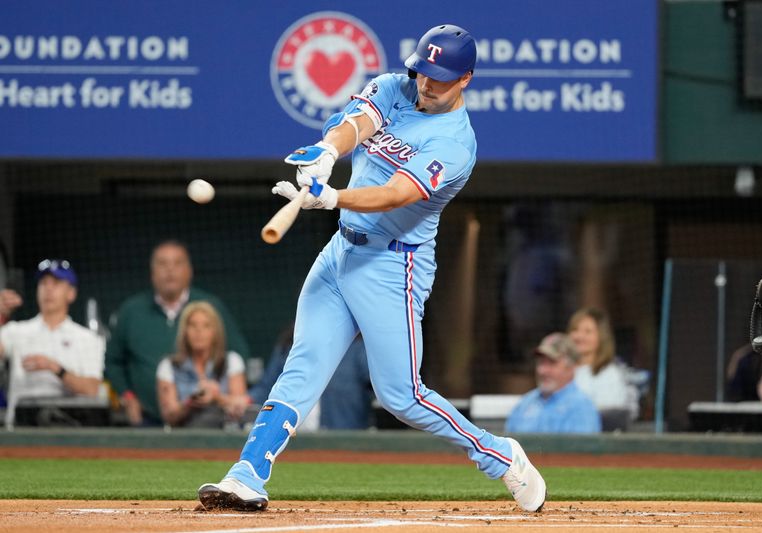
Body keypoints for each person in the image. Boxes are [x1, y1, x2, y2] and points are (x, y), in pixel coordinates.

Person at [197, 24, 546, 513]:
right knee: (302, 366)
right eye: (423, 70)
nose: (426, 83)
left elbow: (396, 194)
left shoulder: (456, 144)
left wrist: (333, 195)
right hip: (341, 252)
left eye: (440, 77)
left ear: (465, 78)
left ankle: (500, 455)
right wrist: (327, 152)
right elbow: (357, 122)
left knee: (403, 397)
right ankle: (248, 473)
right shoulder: (395, 85)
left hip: (393, 266)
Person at [105, 240, 250, 426]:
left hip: (214, 422)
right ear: (152, 272)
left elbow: (239, 355)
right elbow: (113, 361)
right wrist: (127, 395)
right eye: (163, 264)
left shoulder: (210, 306)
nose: (170, 270)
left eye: (177, 263)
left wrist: (217, 393)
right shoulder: (131, 310)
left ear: (189, 270)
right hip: (147, 418)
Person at [0, 259, 105, 427]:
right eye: (43, 283)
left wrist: (56, 369)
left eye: (56, 283)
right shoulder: (16, 331)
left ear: (71, 293)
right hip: (22, 428)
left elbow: (92, 389)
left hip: (71, 428)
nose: (48, 289)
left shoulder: (87, 338)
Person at [248, 326, 372, 430]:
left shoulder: (358, 347)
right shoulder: (289, 345)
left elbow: (377, 386)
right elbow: (267, 387)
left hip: (341, 438)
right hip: (293, 437)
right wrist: (247, 400)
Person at [156, 301, 249, 428]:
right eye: (193, 325)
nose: (199, 331)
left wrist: (216, 397)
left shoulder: (232, 361)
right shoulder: (168, 366)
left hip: (226, 437)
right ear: (185, 331)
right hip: (184, 440)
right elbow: (169, 416)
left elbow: (242, 407)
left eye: (206, 326)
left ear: (215, 332)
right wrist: (190, 402)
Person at [505, 333, 601, 434]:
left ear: (571, 367)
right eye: (541, 362)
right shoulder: (525, 403)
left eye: (551, 363)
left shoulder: (581, 409)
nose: (542, 371)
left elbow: (578, 449)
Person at [567, 308, 638, 423]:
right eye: (575, 330)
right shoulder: (562, 371)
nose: (579, 336)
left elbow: (609, 418)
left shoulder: (609, 374)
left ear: (601, 337)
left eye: (588, 332)